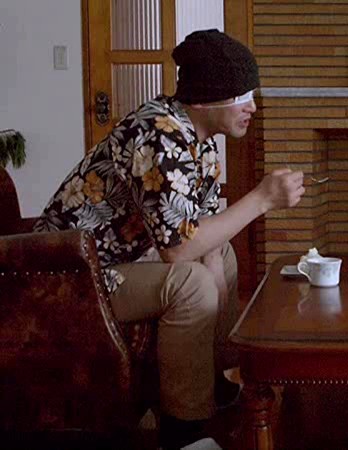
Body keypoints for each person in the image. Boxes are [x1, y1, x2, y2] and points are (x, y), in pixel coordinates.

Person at [33, 29, 305, 449]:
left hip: (124, 260)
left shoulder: (201, 141)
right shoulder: (157, 134)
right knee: (190, 284)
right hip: (70, 274)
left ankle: (218, 380)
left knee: (222, 255)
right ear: (204, 100)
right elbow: (178, 249)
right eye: (241, 95)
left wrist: (225, 331)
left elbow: (204, 233)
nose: (252, 106)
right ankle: (183, 433)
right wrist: (262, 199)